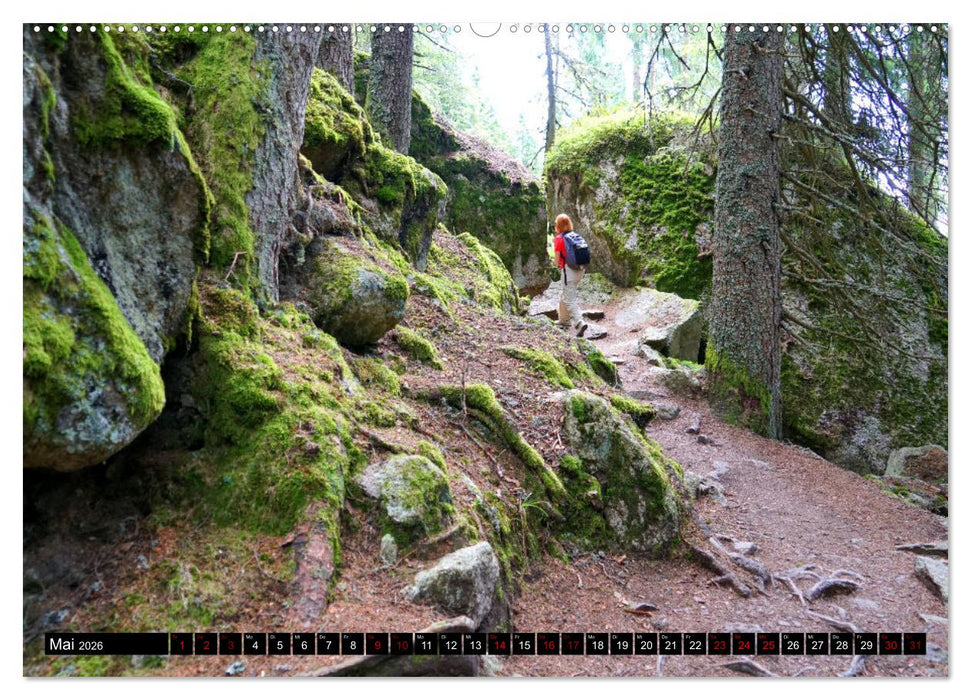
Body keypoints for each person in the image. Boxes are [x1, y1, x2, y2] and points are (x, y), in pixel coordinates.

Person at [553, 213, 588, 337]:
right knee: (566, 294)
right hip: (580, 270)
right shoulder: (574, 236)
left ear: (558, 225)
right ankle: (564, 320)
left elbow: (557, 261)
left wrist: (556, 264)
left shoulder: (559, 238)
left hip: (569, 271)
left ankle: (579, 322)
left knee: (569, 299)